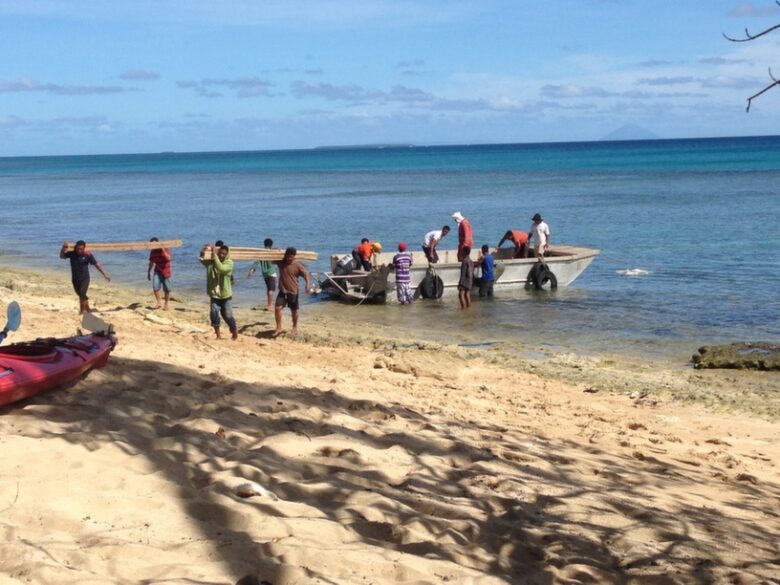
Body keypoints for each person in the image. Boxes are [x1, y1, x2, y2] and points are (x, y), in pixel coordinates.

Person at [59, 240, 111, 314]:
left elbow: (97, 265)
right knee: (80, 295)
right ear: (75, 247)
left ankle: (82, 311)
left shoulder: (88, 255)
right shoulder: (72, 254)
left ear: (84, 249)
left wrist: (105, 274)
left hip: (85, 278)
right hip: (75, 279)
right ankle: (88, 309)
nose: (79, 250)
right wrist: (63, 248)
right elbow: (62, 256)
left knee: (82, 294)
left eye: (81, 249)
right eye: (78, 248)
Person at [199, 243, 238, 340]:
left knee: (228, 315)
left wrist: (214, 255)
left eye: (224, 254)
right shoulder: (212, 262)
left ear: (227, 254)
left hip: (225, 295)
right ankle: (218, 335)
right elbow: (201, 259)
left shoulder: (229, 263)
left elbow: (221, 268)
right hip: (214, 294)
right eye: (220, 253)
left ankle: (234, 330)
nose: (221, 255)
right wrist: (204, 250)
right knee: (214, 313)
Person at [274, 247, 311, 337]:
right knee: (277, 308)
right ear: (285, 255)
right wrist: (275, 250)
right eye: (288, 256)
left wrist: (308, 284)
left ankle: (294, 326)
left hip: (293, 291)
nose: (289, 258)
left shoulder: (298, 265)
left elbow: (306, 274)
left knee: (294, 310)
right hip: (282, 290)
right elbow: (271, 258)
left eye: (291, 257)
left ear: (294, 257)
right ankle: (279, 327)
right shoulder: (281, 262)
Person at [247, 238, 278, 311]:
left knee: (268, 289)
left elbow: (256, 262)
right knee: (271, 290)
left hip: (265, 273)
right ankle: (270, 305)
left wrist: (251, 270)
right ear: (271, 244)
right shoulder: (272, 252)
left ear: (264, 244)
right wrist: (276, 249)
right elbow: (279, 255)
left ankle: (269, 304)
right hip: (271, 272)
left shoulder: (261, 253)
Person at [147, 237, 172, 310]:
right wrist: (148, 272)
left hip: (166, 271)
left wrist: (162, 249)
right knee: (155, 288)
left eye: (155, 244)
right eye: (152, 245)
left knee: (167, 289)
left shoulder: (165, 248)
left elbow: (168, 259)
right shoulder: (152, 252)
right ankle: (158, 302)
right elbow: (151, 263)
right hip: (157, 271)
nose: (154, 246)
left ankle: (166, 303)